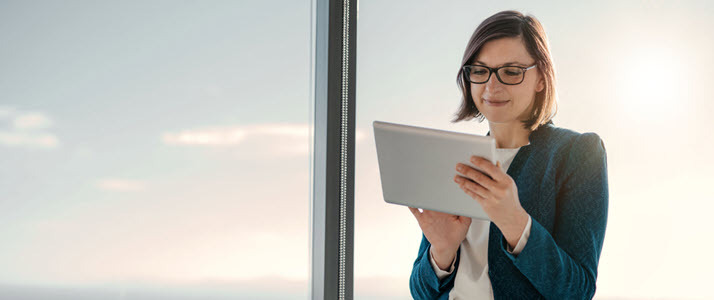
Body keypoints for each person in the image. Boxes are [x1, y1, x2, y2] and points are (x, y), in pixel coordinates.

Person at [407, 10, 608, 300]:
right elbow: (420, 292)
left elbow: (577, 291)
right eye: (480, 70)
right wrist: (441, 252)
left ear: (541, 78)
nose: (491, 86)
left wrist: (515, 222)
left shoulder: (577, 154)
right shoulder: (455, 159)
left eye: (511, 72)